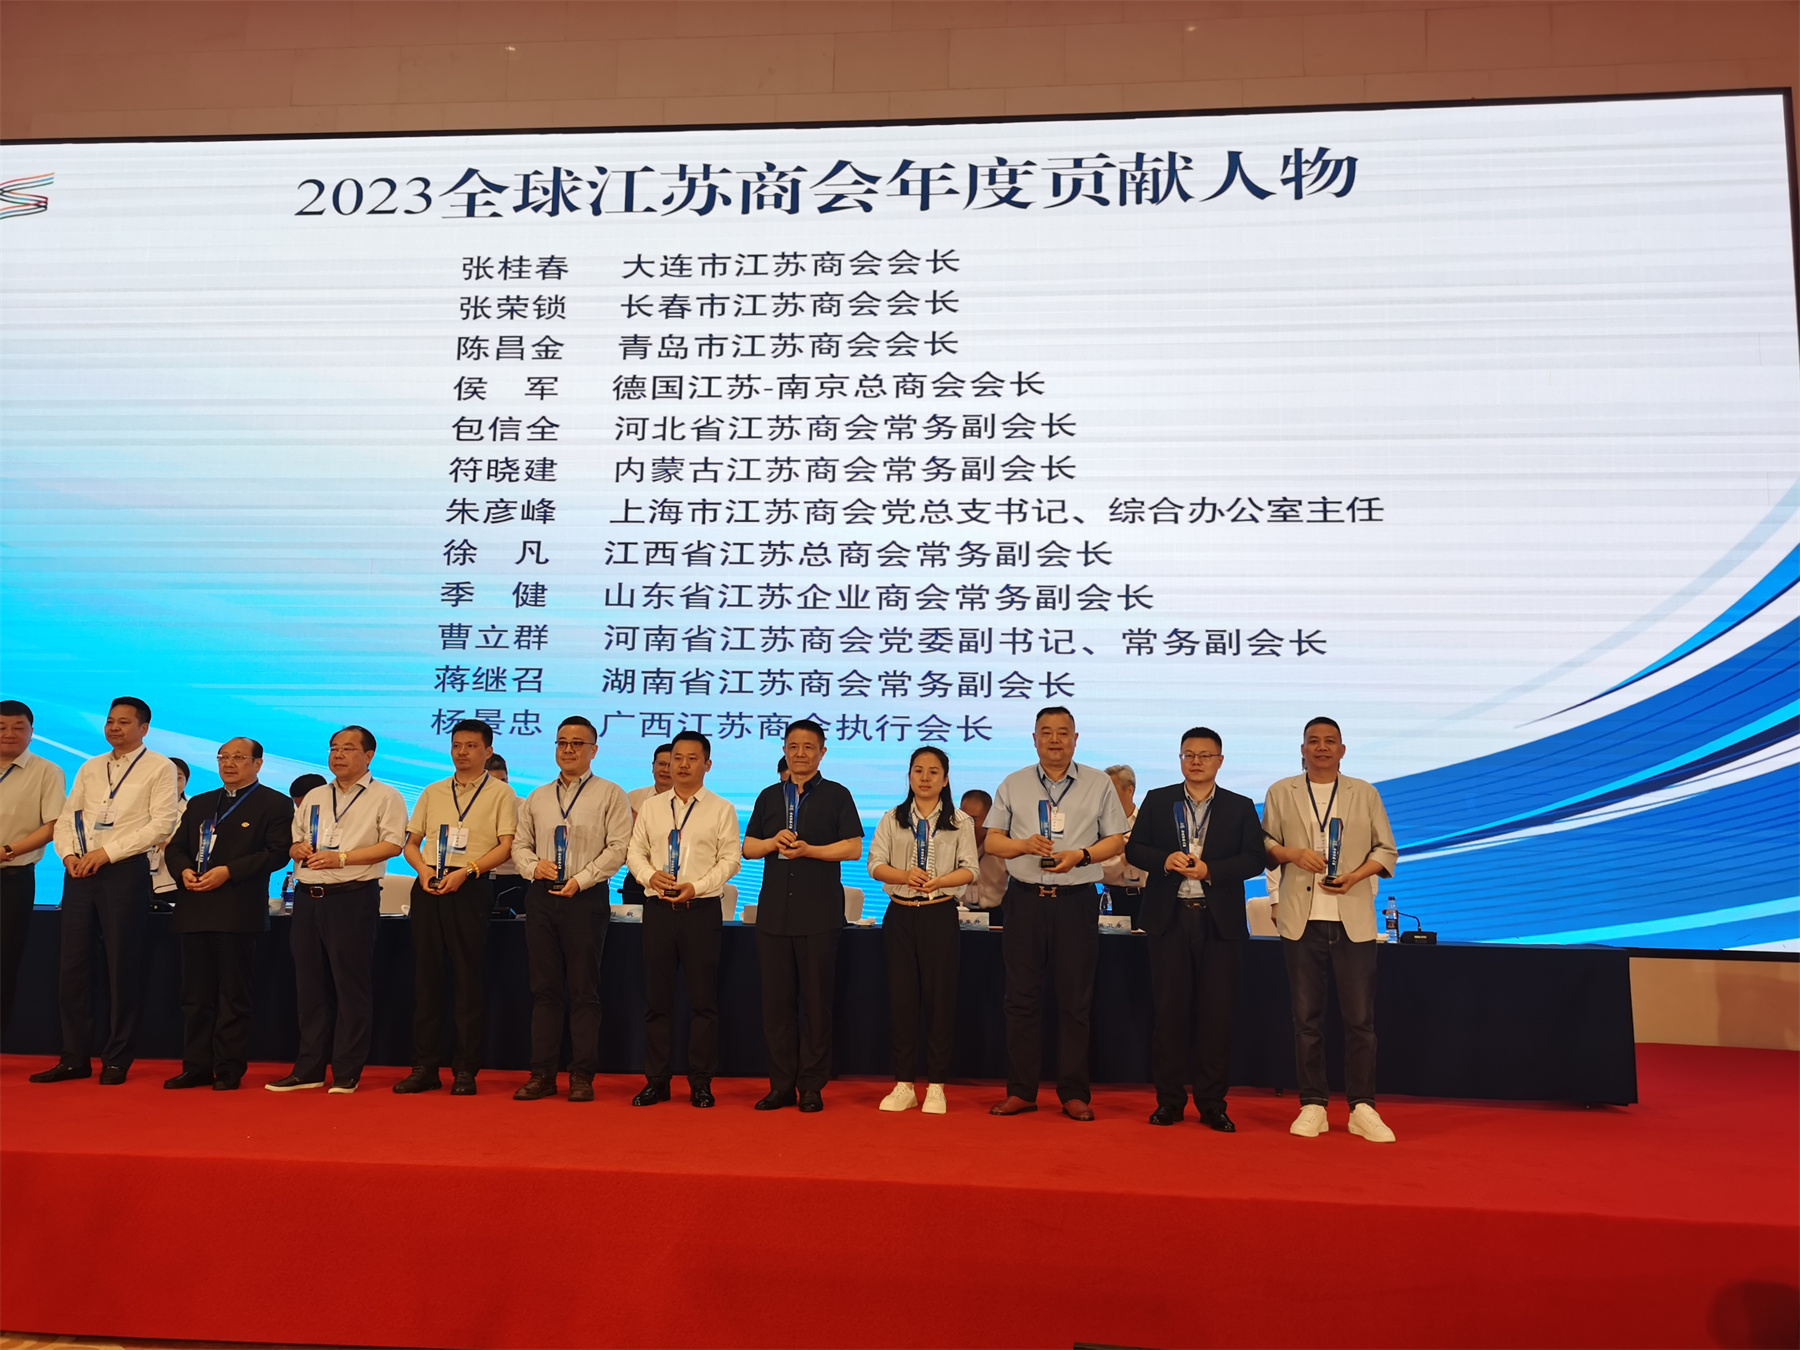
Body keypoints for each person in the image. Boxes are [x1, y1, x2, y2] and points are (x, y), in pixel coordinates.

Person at [982, 706, 1128, 1120]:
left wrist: (1082, 855)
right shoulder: (1013, 783)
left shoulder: (1098, 783)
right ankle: (1021, 1091)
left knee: (1075, 1000)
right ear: (1034, 739)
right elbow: (992, 842)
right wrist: (1023, 846)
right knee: (1020, 999)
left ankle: (1074, 1093)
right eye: (1046, 732)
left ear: (1075, 739)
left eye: (1063, 732)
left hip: (1075, 901)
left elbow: (1116, 840)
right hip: (1025, 900)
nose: (1055, 740)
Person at [1263, 717, 1400, 1143]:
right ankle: (1313, 1104)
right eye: (1313, 741)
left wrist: (1357, 875)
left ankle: (1362, 1107)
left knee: (1360, 1020)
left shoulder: (1364, 792)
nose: (1321, 747)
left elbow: (1386, 850)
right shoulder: (1281, 791)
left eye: (1330, 741)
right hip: (1301, 919)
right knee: (1307, 1020)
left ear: (1342, 750)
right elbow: (1264, 845)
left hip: (1352, 918)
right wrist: (1292, 854)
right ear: (1302, 749)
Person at [1125, 727, 1267, 1130]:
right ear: (1180, 759)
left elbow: (1254, 859)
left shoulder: (1239, 806)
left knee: (1216, 1016)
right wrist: (1164, 860)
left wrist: (1211, 870)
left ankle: (1212, 1103)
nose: (1196, 761)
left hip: (1218, 922)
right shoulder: (1159, 800)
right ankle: (1169, 1101)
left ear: (1220, 761)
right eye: (1189, 754)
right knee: (1169, 1015)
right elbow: (1135, 849)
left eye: (1205, 755)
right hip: (1169, 919)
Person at [33, 697, 180, 1085]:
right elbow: (68, 818)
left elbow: (161, 824)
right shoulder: (91, 766)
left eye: (124, 722)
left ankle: (117, 1058)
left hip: (123, 871)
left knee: (121, 966)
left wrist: (107, 853)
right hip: (79, 871)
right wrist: (68, 855)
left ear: (144, 728)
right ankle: (74, 1057)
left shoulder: (159, 767)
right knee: (73, 968)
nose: (114, 728)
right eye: (110, 721)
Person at [267, 726, 405, 1094]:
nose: (338, 755)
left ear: (369, 756)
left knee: (350, 986)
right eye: (333, 748)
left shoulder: (386, 796)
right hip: (308, 898)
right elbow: (295, 839)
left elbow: (392, 845)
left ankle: (347, 1069)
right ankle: (309, 1068)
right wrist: (296, 849)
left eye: (348, 748)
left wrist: (342, 858)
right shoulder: (315, 795)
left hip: (352, 897)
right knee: (309, 987)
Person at [743, 719, 864, 1113]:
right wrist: (770, 842)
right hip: (774, 916)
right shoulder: (768, 796)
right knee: (776, 1007)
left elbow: (852, 849)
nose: (800, 753)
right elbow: (748, 848)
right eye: (793, 746)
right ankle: (781, 1086)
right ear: (784, 749)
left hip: (819, 916)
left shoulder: (837, 795)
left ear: (822, 752)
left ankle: (811, 1086)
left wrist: (811, 850)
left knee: (816, 1005)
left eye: (808, 747)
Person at [510, 716, 632, 1103]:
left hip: (585, 898)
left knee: (583, 991)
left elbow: (619, 847)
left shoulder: (611, 794)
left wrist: (582, 878)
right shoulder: (537, 797)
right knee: (544, 990)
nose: (568, 749)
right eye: (562, 742)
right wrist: (533, 867)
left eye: (577, 743)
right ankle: (542, 1075)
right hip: (542, 897)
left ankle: (582, 1075)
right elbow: (520, 845)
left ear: (593, 750)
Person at [394, 719, 517, 1096]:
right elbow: (411, 842)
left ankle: (465, 1069)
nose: (462, 752)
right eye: (456, 745)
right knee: (426, 980)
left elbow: (506, 846)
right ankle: (424, 1067)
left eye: (471, 746)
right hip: (429, 884)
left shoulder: (501, 794)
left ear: (488, 751)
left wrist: (468, 871)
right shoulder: (433, 791)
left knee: (467, 981)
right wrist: (423, 869)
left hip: (470, 886)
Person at [160, 738, 291, 1090]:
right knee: (195, 997)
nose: (229, 764)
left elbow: (276, 853)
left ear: (258, 764)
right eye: (223, 757)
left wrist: (229, 872)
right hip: (194, 908)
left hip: (237, 910)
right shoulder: (202, 802)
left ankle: (229, 1067)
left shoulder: (274, 803)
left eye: (238, 757)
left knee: (233, 995)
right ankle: (196, 1066)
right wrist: (183, 871)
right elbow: (175, 847)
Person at [625, 729, 739, 1109]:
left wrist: (697, 886)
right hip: (658, 911)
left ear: (707, 765)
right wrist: (649, 876)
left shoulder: (721, 809)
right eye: (677, 758)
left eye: (692, 758)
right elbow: (634, 852)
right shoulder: (652, 807)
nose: (683, 765)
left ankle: (701, 1082)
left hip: (700, 911)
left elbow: (730, 860)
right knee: (656, 1001)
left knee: (703, 1002)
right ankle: (656, 1081)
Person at [867, 747, 978, 1115]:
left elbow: (971, 869)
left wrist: (941, 881)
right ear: (909, 776)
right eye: (918, 770)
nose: (925, 778)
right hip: (900, 915)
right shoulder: (892, 819)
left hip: (939, 914)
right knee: (902, 1001)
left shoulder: (960, 821)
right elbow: (875, 865)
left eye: (933, 772)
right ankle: (903, 1084)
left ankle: (936, 1086)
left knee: (940, 1001)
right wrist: (904, 875)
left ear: (945, 779)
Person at [0, 700, 66, 1039]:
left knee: (4, 961)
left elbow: (53, 826)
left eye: (18, 727)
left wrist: (7, 852)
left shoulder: (47, 771)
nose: (9, 734)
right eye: (1, 727)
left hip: (11, 879)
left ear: (31, 732)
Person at [620, 742, 673, 910]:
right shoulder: (633, 797)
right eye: (661, 764)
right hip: (637, 879)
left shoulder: (689, 802)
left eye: (670, 765)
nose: (665, 770)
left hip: (673, 880)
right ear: (653, 766)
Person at [1100, 764, 1150, 927]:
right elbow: (1093, 867)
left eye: (1111, 791)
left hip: (1144, 899)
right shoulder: (1097, 827)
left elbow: (1154, 865)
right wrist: (1124, 855)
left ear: (1130, 791)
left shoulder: (1150, 824)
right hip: (1108, 898)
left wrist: (1120, 855)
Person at [484, 753, 530, 915]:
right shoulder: (471, 808)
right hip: (480, 878)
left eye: (504, 782)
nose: (501, 789)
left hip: (515, 880)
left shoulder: (523, 807)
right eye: (493, 784)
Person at [958, 788, 1008, 918]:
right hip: (959, 910)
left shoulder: (1003, 844)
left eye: (974, 819)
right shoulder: (951, 843)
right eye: (963, 818)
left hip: (996, 912)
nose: (967, 824)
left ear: (989, 818)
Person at [148, 756, 190, 904]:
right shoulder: (139, 808)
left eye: (178, 778)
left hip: (172, 881)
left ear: (186, 782)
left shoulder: (191, 811)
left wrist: (157, 839)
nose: (172, 783)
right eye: (167, 777)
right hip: (135, 878)